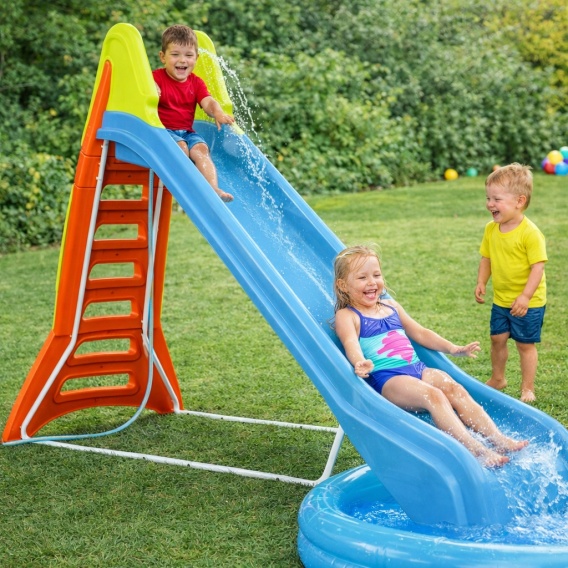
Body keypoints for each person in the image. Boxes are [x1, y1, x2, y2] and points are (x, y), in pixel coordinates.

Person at [333, 245, 528, 468]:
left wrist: (453, 348)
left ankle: (498, 439)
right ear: (343, 285)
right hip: (388, 378)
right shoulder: (347, 315)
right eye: (362, 278)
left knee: (453, 388)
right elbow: (350, 342)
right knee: (433, 395)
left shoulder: (390, 306)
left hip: (417, 368)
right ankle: (476, 450)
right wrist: (360, 361)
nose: (372, 282)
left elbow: (420, 333)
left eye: (376, 275)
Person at [474, 163, 547, 403]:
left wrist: (525, 297)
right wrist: (482, 281)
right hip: (502, 300)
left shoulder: (530, 233)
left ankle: (527, 388)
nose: (490, 204)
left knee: (525, 345)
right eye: (488, 198)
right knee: (497, 339)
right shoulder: (491, 229)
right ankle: (498, 378)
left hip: (529, 302)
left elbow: (538, 267)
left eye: (497, 199)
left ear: (519, 201)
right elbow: (487, 258)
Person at [153, 24, 235, 202]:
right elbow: (143, 92)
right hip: (163, 133)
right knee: (181, 147)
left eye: (188, 55)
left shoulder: (196, 83)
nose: (182, 60)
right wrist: (151, 89)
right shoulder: (155, 78)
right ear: (163, 57)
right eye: (175, 54)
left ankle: (213, 189)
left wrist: (218, 112)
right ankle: (191, 187)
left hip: (187, 132)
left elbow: (208, 102)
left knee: (201, 150)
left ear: (196, 58)